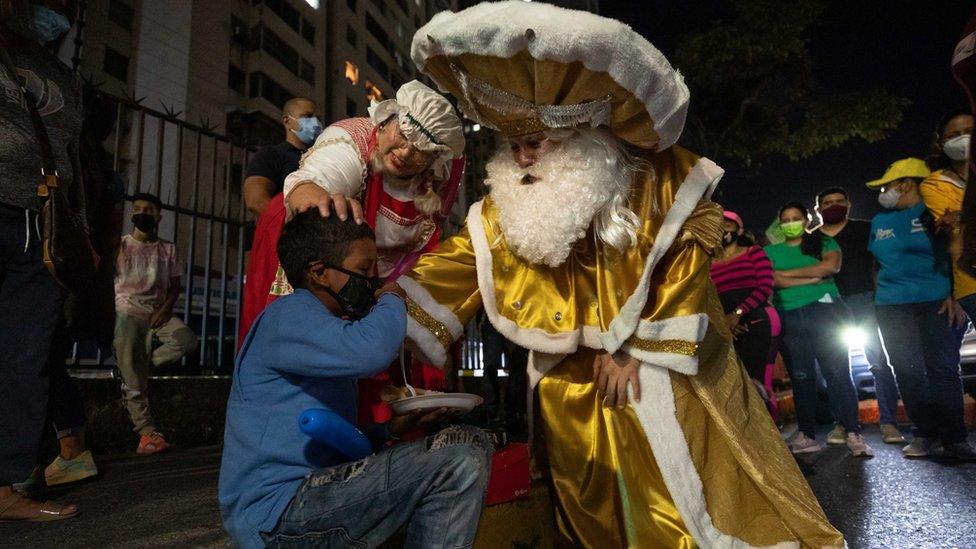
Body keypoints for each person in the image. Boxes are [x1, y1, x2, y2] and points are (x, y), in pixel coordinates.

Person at [379, 3, 845, 547]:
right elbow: (463, 261)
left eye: (537, 141)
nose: (524, 155)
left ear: (576, 133)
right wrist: (382, 307)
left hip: (642, 371)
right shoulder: (506, 205)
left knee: (661, 500)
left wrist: (634, 349)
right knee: (580, 502)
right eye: (515, 144)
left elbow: (683, 266)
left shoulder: (649, 184)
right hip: (558, 380)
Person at [219, 211, 491, 549]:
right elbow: (373, 350)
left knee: (471, 442)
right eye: (364, 271)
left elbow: (329, 438)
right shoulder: (288, 315)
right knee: (457, 461)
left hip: (307, 499)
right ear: (319, 272)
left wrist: (391, 430)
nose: (372, 280)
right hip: (278, 512)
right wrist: (393, 298)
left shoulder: (322, 329)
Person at [0, 0, 82, 522]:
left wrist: (85, 233)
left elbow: (72, 153)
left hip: (41, 221)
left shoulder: (63, 77)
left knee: (24, 356)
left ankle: (4, 485)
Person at [866, 159, 976, 461]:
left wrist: (955, 296)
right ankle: (925, 433)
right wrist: (881, 295)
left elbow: (956, 256)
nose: (884, 192)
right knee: (907, 371)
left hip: (937, 301)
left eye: (887, 186)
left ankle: (955, 438)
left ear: (906, 184)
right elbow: (876, 265)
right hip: (891, 306)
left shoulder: (934, 214)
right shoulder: (879, 222)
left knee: (942, 369)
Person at [765, 202, 872, 457]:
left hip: (825, 311)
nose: (791, 223)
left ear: (806, 220)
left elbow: (831, 267)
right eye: (786, 219)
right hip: (789, 316)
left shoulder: (824, 243)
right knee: (801, 376)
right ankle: (807, 435)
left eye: (796, 218)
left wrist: (789, 276)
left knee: (836, 372)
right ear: (781, 225)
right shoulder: (770, 251)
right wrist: (812, 277)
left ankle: (853, 433)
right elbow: (773, 279)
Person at [815, 186, 904, 445]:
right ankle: (844, 424)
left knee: (878, 363)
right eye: (828, 202)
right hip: (830, 306)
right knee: (836, 369)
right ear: (818, 209)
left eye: (839, 201)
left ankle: (889, 422)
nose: (834, 205)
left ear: (849, 204)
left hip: (866, 301)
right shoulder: (811, 239)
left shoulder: (866, 229)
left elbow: (883, 262)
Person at [113, 192, 198, 454]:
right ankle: (145, 433)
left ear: (158, 216)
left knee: (186, 340)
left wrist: (166, 308)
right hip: (126, 312)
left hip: (156, 313)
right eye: (137, 209)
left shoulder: (168, 249)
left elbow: (175, 286)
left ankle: (139, 364)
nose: (142, 213)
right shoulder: (120, 245)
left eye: (148, 210)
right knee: (135, 380)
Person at [238, 97, 319, 344]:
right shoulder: (272, 156)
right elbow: (255, 200)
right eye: (307, 117)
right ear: (288, 121)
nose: (315, 123)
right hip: (283, 255)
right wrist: (295, 224)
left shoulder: (324, 157)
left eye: (316, 117)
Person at [709, 210, 778, 390]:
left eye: (727, 225)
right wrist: (725, 322)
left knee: (759, 382)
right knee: (736, 385)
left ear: (739, 231)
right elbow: (708, 297)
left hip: (756, 319)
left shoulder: (753, 252)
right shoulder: (706, 264)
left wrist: (738, 313)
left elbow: (765, 287)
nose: (722, 230)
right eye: (716, 226)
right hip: (725, 326)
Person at [922, 110, 976, 321]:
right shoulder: (934, 184)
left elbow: (960, 219)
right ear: (940, 143)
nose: (963, 138)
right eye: (953, 135)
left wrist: (961, 215)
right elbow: (956, 228)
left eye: (970, 131)